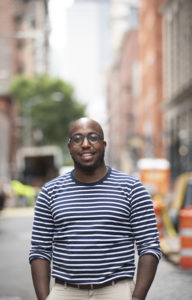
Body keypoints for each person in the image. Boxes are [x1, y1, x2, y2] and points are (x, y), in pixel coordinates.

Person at [29, 117, 161, 300]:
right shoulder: (50, 192)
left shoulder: (132, 189)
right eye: (77, 139)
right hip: (65, 291)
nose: (85, 144)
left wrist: (137, 298)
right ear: (69, 147)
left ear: (104, 144)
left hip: (117, 290)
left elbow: (149, 246)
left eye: (93, 137)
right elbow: (39, 250)